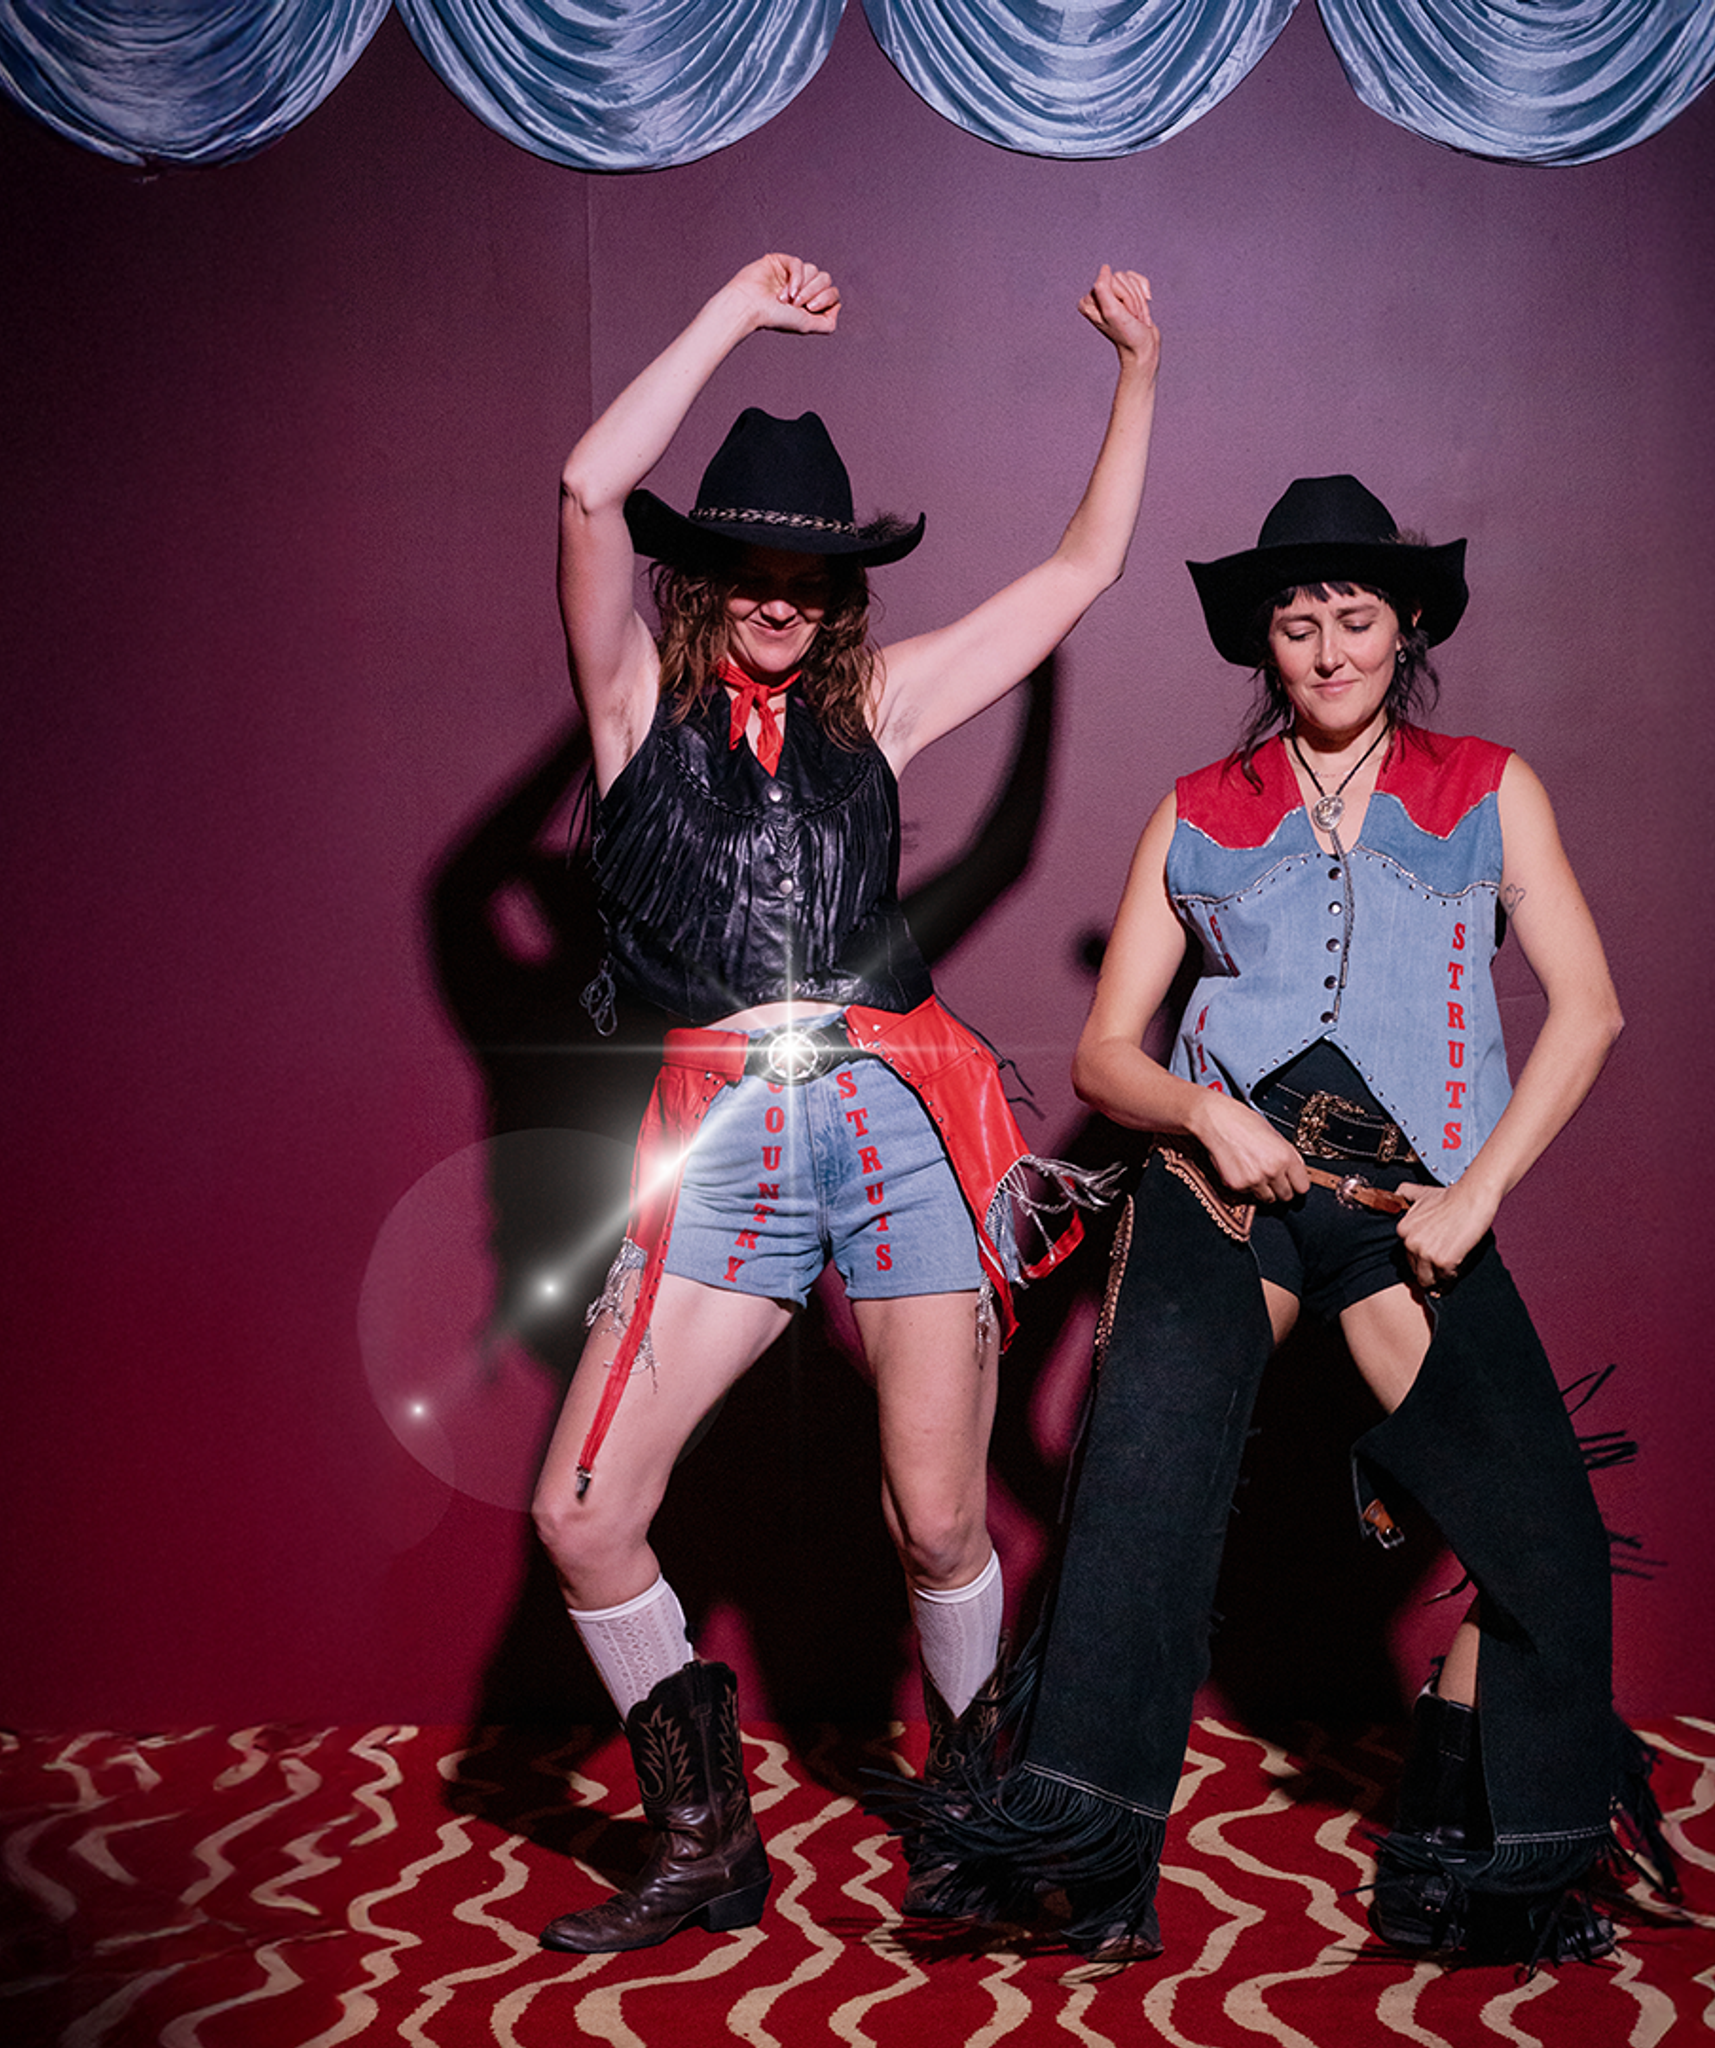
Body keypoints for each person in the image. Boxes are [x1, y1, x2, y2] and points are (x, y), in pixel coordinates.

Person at [887, 474, 1676, 1964]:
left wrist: (1476, 1194)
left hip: (1405, 1202)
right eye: (1298, 625)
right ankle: (1079, 1859)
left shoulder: (1488, 787)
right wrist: (1204, 1112)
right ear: (1265, 641)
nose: (1327, 651)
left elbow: (1590, 1010)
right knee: (1139, 1497)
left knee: (1549, 1549)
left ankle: (1462, 1851)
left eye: (1355, 619)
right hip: (1226, 1187)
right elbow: (1109, 1056)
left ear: (1408, 625)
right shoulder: (1198, 809)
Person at [528, 251, 1160, 1953]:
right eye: (753, 568)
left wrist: (1138, 373)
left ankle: (973, 1817)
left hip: (894, 1124)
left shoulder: (878, 704)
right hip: (721, 1141)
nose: (781, 599)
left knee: (940, 1518)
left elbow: (1082, 572)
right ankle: (707, 1839)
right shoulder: (633, 707)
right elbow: (589, 487)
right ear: (706, 576)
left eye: (812, 575)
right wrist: (731, 308)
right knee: (584, 1514)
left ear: (841, 593)